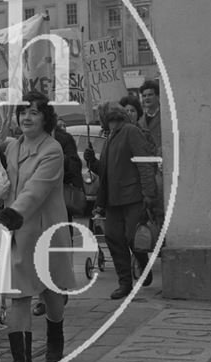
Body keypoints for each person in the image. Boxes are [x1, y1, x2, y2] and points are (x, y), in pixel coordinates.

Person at [0, 91, 75, 362]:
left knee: (51, 291)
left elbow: (36, 189)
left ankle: (56, 332)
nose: (26, 117)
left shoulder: (52, 150)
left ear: (46, 118)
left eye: (34, 112)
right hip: (16, 232)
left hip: (44, 232)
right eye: (22, 111)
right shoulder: (11, 147)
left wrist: (15, 212)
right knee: (18, 295)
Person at [83, 102, 156, 298]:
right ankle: (125, 283)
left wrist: (148, 194)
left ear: (108, 117)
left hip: (132, 196)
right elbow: (107, 172)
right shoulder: (110, 137)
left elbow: (144, 163)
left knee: (133, 238)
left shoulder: (130, 131)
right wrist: (93, 162)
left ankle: (143, 263)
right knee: (114, 239)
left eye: (101, 117)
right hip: (112, 199)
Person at [33, 122, 81, 317]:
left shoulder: (63, 139)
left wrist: (61, 160)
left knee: (58, 249)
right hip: (34, 205)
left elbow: (75, 166)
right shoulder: (27, 141)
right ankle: (42, 297)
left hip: (58, 201)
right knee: (37, 250)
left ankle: (60, 287)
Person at [139, 80, 162, 156]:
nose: (147, 98)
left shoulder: (165, 117)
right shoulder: (140, 121)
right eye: (144, 96)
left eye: (150, 95)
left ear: (158, 96)